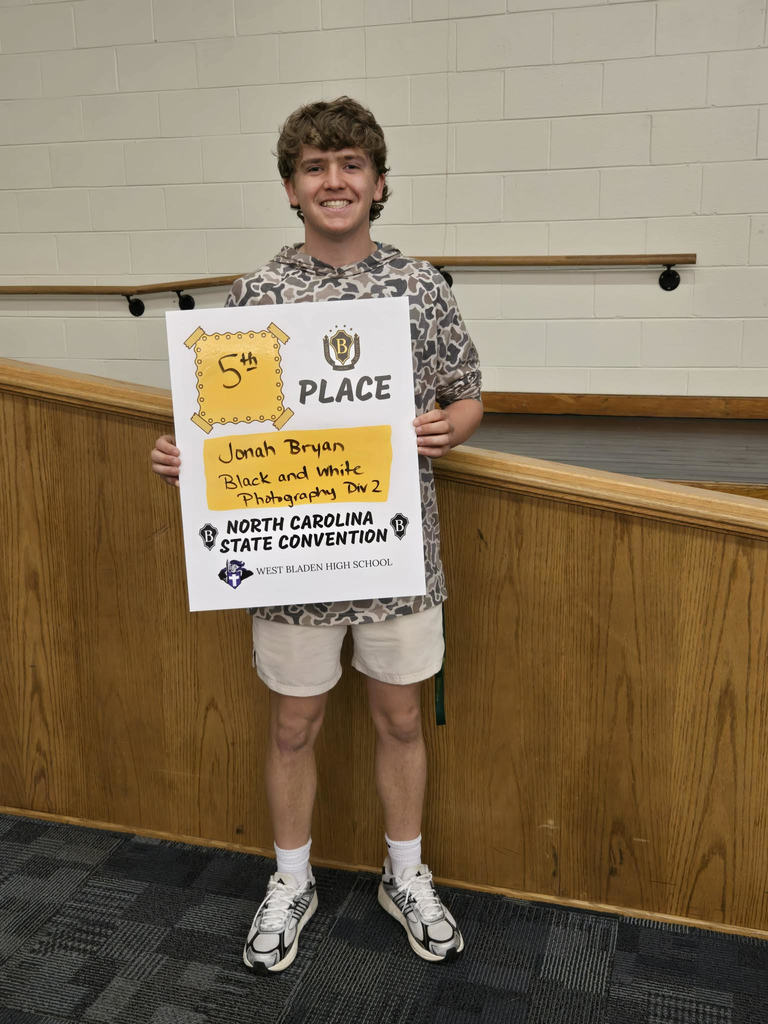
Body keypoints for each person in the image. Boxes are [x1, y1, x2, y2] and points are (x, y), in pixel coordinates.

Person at [151, 96, 483, 974]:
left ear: (379, 184)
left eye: (350, 165)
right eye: (314, 168)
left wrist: (452, 426)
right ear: (291, 188)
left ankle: (405, 875)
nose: (334, 181)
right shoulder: (256, 296)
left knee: (401, 718)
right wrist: (187, 459)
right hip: (290, 557)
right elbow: (220, 427)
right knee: (293, 723)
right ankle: (291, 879)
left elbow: (466, 392)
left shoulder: (421, 287)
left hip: (393, 552)